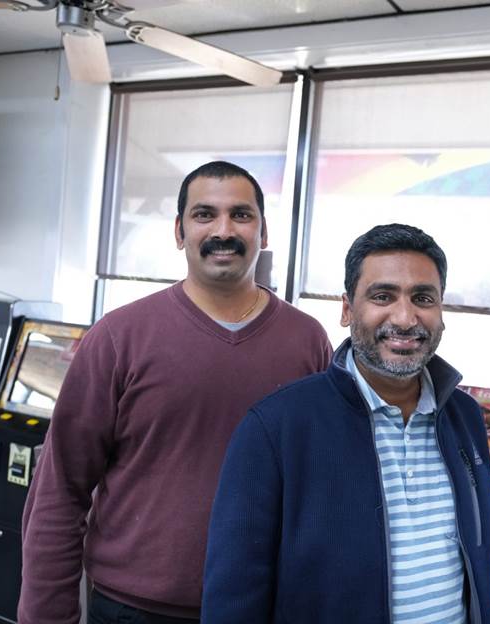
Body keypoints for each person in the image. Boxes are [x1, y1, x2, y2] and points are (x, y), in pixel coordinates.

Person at [19, 161, 333, 624]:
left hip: (264, 605)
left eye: (241, 215)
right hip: (133, 609)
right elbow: (61, 489)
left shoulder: (307, 341)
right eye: (204, 214)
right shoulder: (118, 337)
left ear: (263, 233)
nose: (223, 230)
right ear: (179, 231)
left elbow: (319, 487)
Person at [202, 224, 490, 623]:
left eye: (423, 298)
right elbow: (235, 597)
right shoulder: (276, 428)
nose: (406, 317)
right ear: (346, 310)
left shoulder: (465, 417)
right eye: (382, 296)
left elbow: (483, 552)